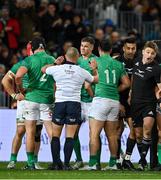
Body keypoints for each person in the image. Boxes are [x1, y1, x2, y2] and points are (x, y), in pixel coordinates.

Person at [43, 47, 98, 170]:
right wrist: (94, 69)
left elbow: (43, 69)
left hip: (60, 104)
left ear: (65, 56)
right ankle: (67, 164)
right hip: (74, 104)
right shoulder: (81, 71)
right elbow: (95, 80)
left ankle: (56, 163)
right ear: (77, 57)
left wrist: (55, 63)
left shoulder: (57, 69)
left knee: (55, 136)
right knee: (70, 136)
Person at [82, 39, 130, 170]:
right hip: (114, 101)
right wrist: (115, 90)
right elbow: (127, 83)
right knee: (112, 135)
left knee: (94, 134)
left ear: (99, 49)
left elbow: (89, 83)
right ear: (111, 50)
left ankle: (92, 164)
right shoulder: (118, 64)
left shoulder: (95, 61)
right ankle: (113, 163)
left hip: (100, 100)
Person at [15, 37, 60, 169]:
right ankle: (57, 161)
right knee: (51, 132)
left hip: (31, 99)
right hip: (47, 100)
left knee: (30, 131)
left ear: (33, 48)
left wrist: (21, 89)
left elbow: (18, 76)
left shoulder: (29, 59)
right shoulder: (52, 60)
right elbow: (56, 81)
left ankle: (30, 163)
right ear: (44, 47)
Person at [2, 42, 44, 170]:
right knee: (20, 131)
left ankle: (34, 161)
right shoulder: (21, 64)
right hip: (25, 102)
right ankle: (13, 160)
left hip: (38, 101)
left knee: (37, 133)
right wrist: (14, 96)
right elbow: (5, 80)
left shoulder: (43, 62)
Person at [129, 41, 161, 170]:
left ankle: (142, 161)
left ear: (155, 55)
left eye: (152, 53)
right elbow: (132, 80)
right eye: (148, 52)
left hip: (149, 103)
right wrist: (130, 93)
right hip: (135, 104)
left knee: (147, 130)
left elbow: (160, 87)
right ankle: (143, 160)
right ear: (143, 52)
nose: (150, 55)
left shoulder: (157, 68)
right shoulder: (136, 63)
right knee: (138, 135)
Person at [72, 36, 98, 170]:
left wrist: (94, 96)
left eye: (86, 46)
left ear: (92, 47)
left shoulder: (96, 61)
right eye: (82, 45)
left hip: (92, 102)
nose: (83, 48)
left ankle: (96, 161)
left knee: (94, 133)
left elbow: (100, 79)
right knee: (74, 132)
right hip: (79, 101)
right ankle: (79, 160)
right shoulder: (77, 60)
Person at [115, 37, 138, 170]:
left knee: (134, 131)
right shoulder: (116, 62)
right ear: (123, 48)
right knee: (118, 131)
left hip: (133, 101)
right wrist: (118, 103)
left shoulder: (139, 62)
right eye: (128, 48)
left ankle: (127, 159)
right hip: (118, 100)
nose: (130, 51)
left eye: (133, 48)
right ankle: (118, 160)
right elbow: (112, 84)